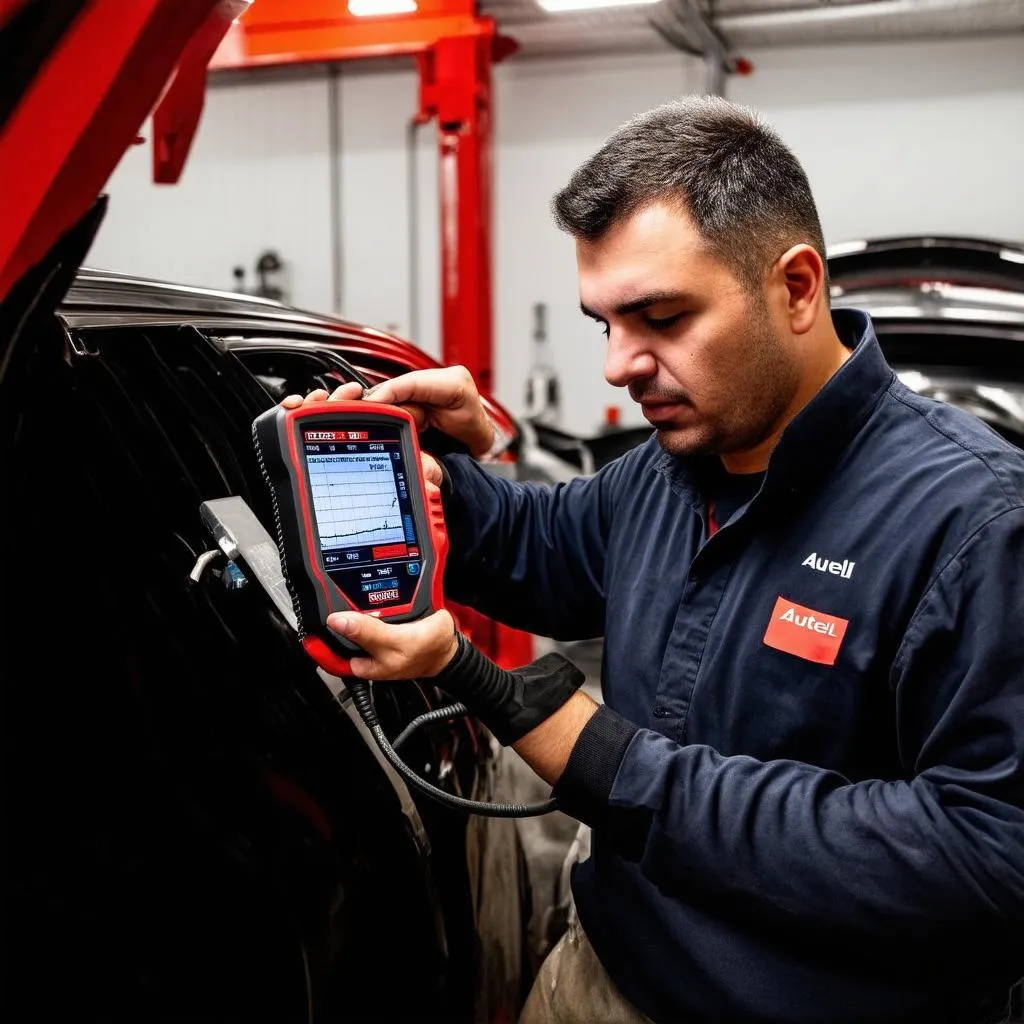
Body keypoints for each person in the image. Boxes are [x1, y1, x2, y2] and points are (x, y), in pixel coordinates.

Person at [285, 97, 1024, 1023]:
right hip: (595, 981)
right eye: (605, 324)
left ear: (796, 287)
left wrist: (603, 759)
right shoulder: (669, 472)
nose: (619, 365)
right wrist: (421, 464)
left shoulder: (975, 523)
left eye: (661, 318)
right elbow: (536, 552)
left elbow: (988, 865)